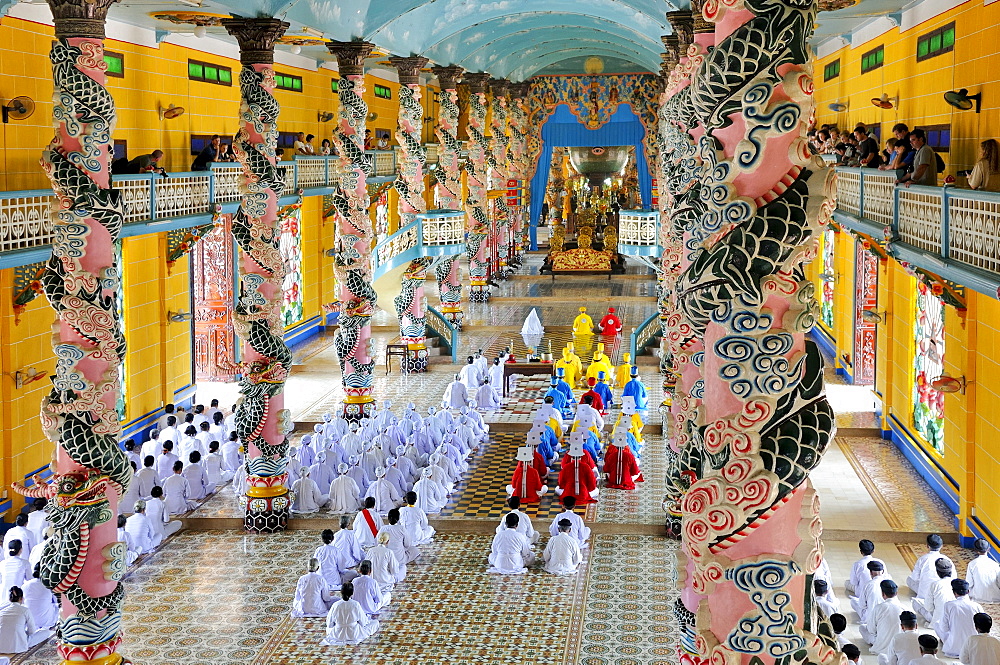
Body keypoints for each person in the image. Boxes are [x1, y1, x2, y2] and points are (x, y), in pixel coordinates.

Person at [939, 579, 983, 657]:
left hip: (953, 649)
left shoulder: (948, 605)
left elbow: (944, 629)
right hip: (973, 648)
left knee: (937, 624)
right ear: (968, 591)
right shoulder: (977, 606)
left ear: (954, 592)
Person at [0, 586, 51, 652]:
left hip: (1, 647)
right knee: (46, 632)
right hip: (19, 646)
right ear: (21, 598)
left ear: (10, 599)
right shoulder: (25, 610)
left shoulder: (2, 611)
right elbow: (32, 632)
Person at [862, 580, 904, 656]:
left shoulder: (879, 607)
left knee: (862, 628)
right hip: (898, 646)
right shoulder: (904, 608)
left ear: (883, 594)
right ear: (896, 593)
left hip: (880, 646)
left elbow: (871, 630)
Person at [913, 557, 955, 628]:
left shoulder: (935, 584)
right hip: (954, 620)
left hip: (938, 620)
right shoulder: (957, 583)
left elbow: (929, 608)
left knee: (915, 602)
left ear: (937, 572)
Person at [557, 439, 598, 505]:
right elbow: (592, 484)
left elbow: (561, 483)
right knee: (596, 490)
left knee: (557, 489)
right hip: (583, 495)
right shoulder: (586, 466)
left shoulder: (566, 467)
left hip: (568, 495)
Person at [852, 559, 891, 624]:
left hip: (870, 617)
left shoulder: (868, 585)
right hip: (885, 616)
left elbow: (862, 605)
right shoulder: (889, 583)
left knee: (853, 601)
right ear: (883, 571)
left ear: (871, 573)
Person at [22, 564, 57, 631]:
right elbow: (57, 602)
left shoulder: (25, 585)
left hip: (29, 622)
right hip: (46, 622)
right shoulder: (49, 585)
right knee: (57, 605)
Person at [966, 538, 1000, 602]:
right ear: (989, 549)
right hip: (995, 598)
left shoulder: (972, 564)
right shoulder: (995, 565)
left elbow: (969, 584)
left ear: (976, 551)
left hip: (977, 598)